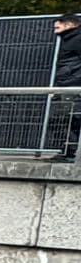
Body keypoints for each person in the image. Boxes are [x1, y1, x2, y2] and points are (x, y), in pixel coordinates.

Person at [56, 13, 79, 161]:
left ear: (70, 25)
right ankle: (66, 152)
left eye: (58, 27)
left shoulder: (77, 39)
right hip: (67, 84)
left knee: (68, 120)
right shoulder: (69, 39)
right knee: (64, 120)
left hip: (73, 86)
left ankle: (68, 153)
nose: (55, 31)